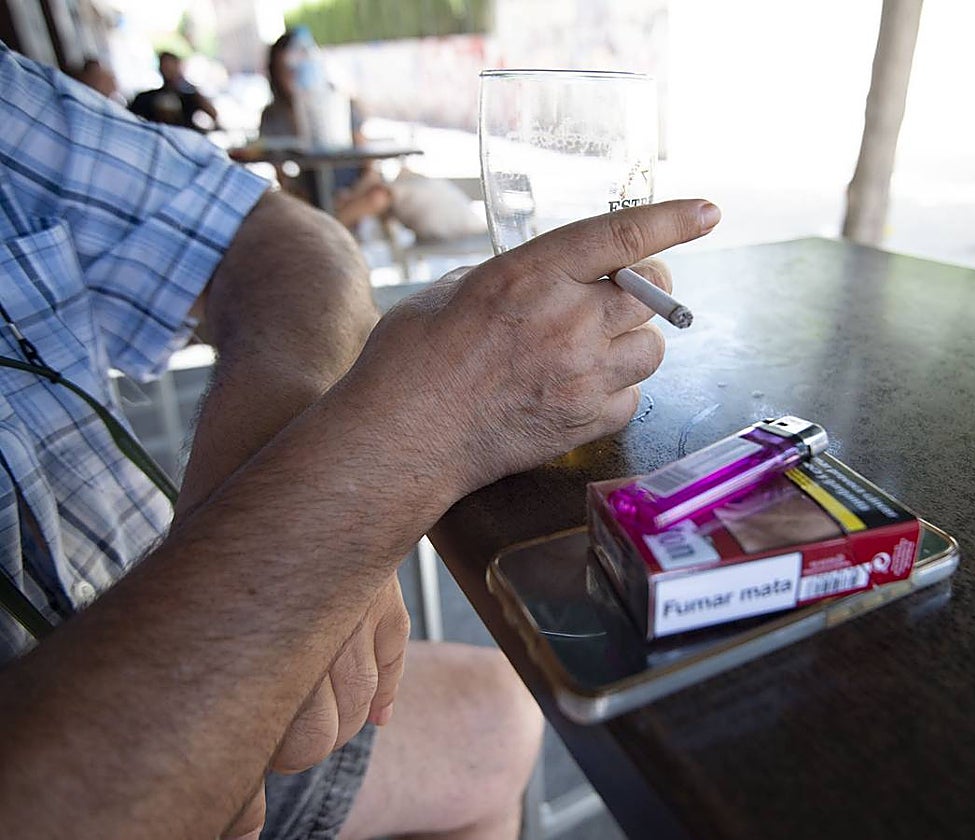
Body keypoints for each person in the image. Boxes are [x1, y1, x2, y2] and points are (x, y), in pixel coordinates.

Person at [0, 41, 720, 840]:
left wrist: (277, 466)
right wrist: (344, 493)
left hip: (151, 586)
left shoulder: (14, 101)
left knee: (495, 720)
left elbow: (278, 232)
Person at [259, 31, 390, 229]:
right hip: (309, 191)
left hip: (353, 188)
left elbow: (368, 164)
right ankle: (331, 229)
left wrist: (351, 193)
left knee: (378, 196)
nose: (294, 75)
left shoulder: (337, 101)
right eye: (287, 69)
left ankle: (328, 230)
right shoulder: (274, 115)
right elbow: (282, 179)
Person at [129, 50, 220, 132]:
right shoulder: (146, 98)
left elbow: (212, 113)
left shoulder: (189, 96)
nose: (168, 70)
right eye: (165, 66)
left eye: (171, 66)